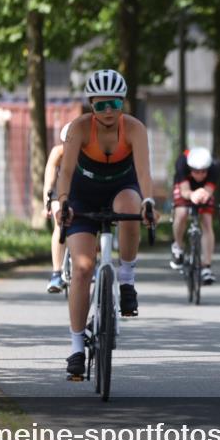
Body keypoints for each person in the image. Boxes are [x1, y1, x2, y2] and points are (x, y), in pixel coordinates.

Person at [51, 69, 158, 378]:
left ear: (122, 103)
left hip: (121, 189)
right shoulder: (80, 129)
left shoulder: (134, 129)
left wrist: (149, 201)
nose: (109, 111)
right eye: (101, 105)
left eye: (114, 104)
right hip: (83, 197)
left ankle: (126, 279)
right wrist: (63, 202)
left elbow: (144, 171)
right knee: (83, 268)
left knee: (132, 206)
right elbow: (66, 171)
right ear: (91, 105)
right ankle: (75, 348)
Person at [170, 146, 219, 284]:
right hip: (186, 186)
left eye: (204, 171)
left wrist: (203, 196)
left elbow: (209, 190)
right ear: (190, 168)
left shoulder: (215, 167)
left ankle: (206, 266)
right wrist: (192, 195)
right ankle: (178, 246)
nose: (200, 175)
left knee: (207, 221)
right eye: (196, 171)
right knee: (182, 213)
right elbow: (185, 191)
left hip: (203, 189)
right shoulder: (182, 163)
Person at [43, 122, 72, 293]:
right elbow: (49, 177)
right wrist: (47, 200)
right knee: (59, 221)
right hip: (58, 191)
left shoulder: (88, 153)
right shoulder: (57, 153)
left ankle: (93, 263)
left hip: (80, 191)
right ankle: (56, 272)